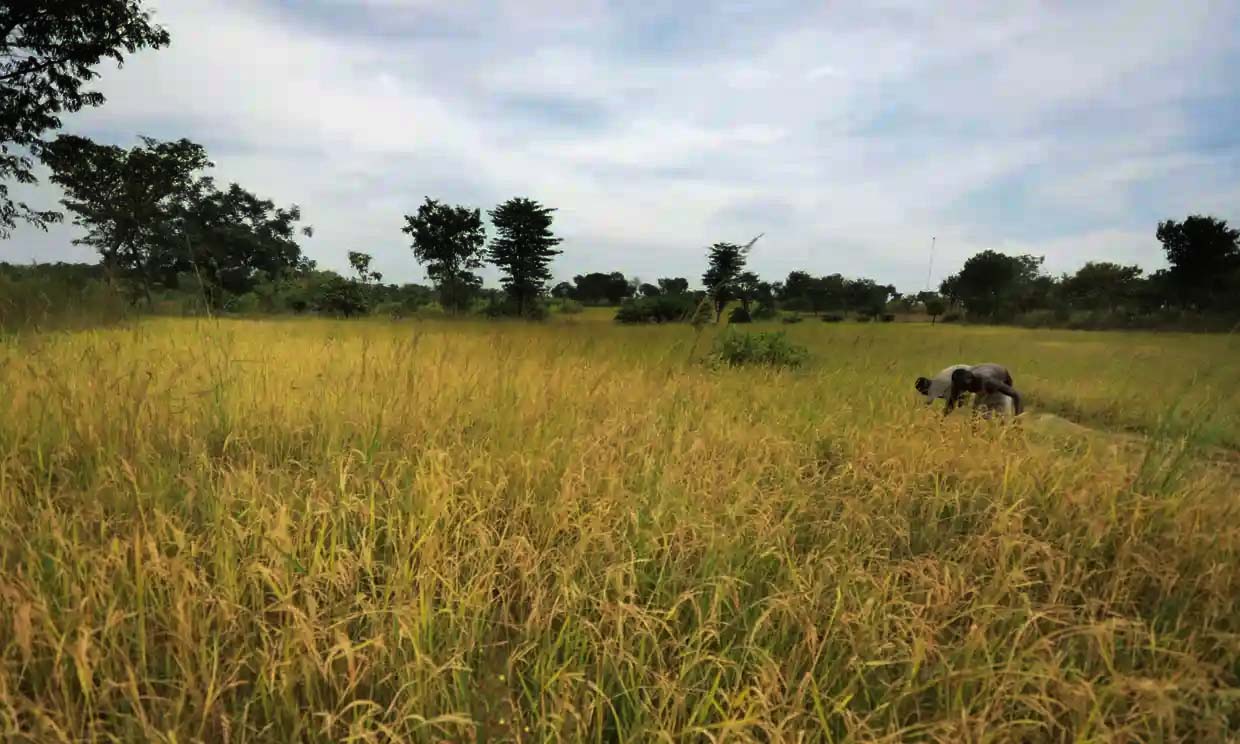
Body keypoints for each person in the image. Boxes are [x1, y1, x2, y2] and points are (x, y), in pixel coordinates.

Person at [915, 363, 1023, 417]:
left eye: (967, 388)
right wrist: (942, 420)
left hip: (1000, 387)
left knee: (1000, 421)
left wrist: (1018, 419)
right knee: (975, 421)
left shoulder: (988, 381)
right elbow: (951, 403)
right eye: (963, 389)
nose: (966, 391)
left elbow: (1017, 395)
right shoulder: (959, 383)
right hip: (983, 387)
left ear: (971, 381)